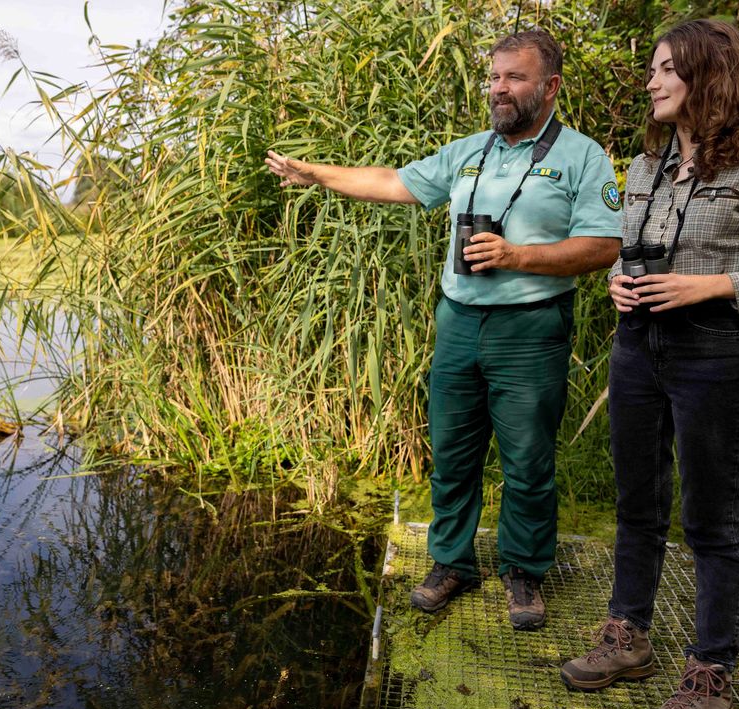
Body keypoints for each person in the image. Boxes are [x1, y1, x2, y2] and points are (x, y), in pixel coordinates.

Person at [266, 30, 621, 631]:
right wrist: (315, 174)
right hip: (457, 322)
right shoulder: (470, 152)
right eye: (494, 77)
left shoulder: (583, 157)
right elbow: (394, 182)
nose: (499, 88)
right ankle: (452, 562)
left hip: (531, 327)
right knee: (453, 455)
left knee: (528, 459)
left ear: (550, 87)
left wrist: (517, 257)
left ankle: (525, 570)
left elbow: (605, 245)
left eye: (515, 77)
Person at [557, 19, 739, 709]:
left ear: (704, 75)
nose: (649, 81)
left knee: (711, 519)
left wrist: (714, 286)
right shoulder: (647, 164)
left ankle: (708, 677)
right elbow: (633, 256)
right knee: (635, 502)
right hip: (635, 348)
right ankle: (627, 638)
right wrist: (620, 284)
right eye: (650, 69)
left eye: (663, 69)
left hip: (712, 351)